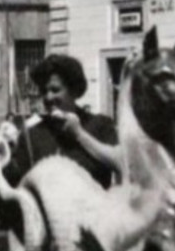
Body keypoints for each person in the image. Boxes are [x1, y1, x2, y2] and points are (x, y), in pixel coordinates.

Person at [26, 54, 120, 188]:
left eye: (55, 90)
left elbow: (121, 165)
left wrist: (80, 134)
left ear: (74, 91)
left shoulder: (101, 125)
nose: (48, 97)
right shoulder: (34, 134)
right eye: (44, 91)